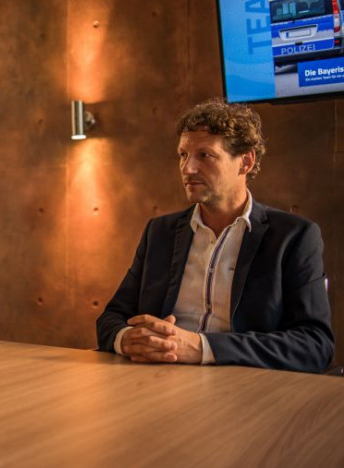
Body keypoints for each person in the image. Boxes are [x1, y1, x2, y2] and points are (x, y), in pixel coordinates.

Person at [96, 99, 334, 373]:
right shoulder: (159, 232)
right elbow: (112, 318)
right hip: (155, 377)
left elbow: (314, 344)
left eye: (205, 155)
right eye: (183, 155)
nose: (187, 169)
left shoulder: (294, 236)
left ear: (245, 162)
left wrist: (202, 348)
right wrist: (127, 339)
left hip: (245, 385)